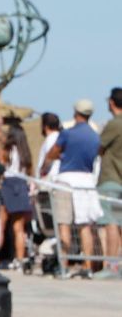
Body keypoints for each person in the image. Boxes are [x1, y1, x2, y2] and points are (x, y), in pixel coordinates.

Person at [39, 99, 102, 277]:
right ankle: (88, 265)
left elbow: (52, 154)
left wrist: (44, 168)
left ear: (75, 112)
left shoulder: (67, 133)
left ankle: (64, 264)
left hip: (66, 180)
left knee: (64, 223)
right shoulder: (95, 136)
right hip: (87, 181)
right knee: (85, 226)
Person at [0, 116, 34, 272]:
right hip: (21, 184)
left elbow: (1, 167)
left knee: (1, 224)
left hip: (8, 184)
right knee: (19, 228)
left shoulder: (7, 150)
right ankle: (19, 259)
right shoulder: (25, 152)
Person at [96, 88, 122, 277]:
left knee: (110, 223)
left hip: (111, 177)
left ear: (112, 103)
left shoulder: (114, 124)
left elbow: (99, 146)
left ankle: (111, 265)